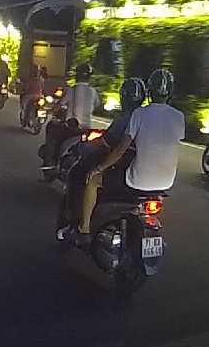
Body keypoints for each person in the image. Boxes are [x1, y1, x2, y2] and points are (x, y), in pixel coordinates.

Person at [75, 68, 184, 244]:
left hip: (138, 181)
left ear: (149, 91)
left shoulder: (139, 114)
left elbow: (120, 149)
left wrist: (98, 168)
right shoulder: (179, 117)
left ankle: (84, 228)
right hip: (166, 183)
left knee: (93, 180)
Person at [60, 77, 145, 237]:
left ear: (124, 97)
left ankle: (83, 227)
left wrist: (83, 148)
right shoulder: (147, 118)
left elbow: (105, 144)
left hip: (121, 170)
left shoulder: (125, 120)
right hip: (143, 174)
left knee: (85, 175)